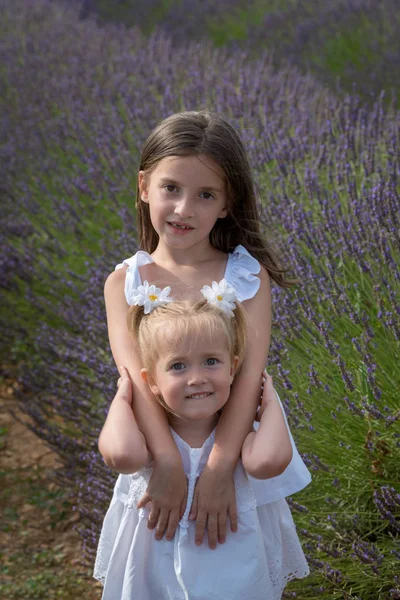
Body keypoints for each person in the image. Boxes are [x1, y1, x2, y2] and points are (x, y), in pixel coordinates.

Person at [100, 110, 310, 549]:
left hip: (230, 456)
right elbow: (135, 383)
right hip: (157, 459)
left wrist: (218, 470)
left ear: (227, 202)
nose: (183, 209)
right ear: (144, 187)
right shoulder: (125, 283)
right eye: (170, 188)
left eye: (205, 195)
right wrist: (166, 463)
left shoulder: (247, 277)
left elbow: (249, 377)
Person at [94, 293, 310, 599]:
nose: (197, 378)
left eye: (211, 362)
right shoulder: (149, 438)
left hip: (231, 567)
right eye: (178, 366)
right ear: (151, 380)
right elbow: (120, 454)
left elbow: (270, 461)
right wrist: (123, 396)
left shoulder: (240, 437)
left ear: (233, 368)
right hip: (158, 567)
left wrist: (269, 401)